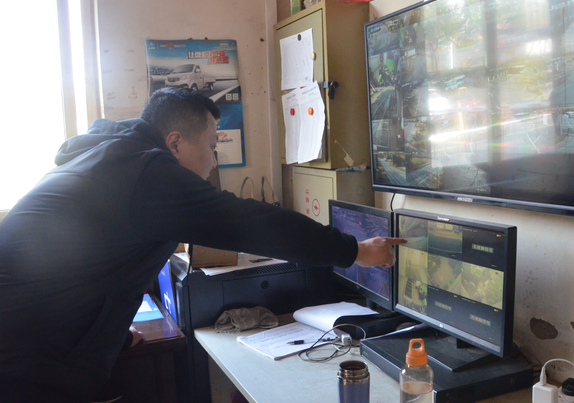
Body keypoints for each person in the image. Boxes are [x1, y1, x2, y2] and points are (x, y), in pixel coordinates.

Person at [0, 87, 406, 402]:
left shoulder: (108, 160)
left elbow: (83, 266)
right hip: (27, 364)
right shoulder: (147, 174)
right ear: (175, 143)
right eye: (212, 146)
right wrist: (356, 250)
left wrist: (114, 335)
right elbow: (252, 222)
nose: (213, 162)